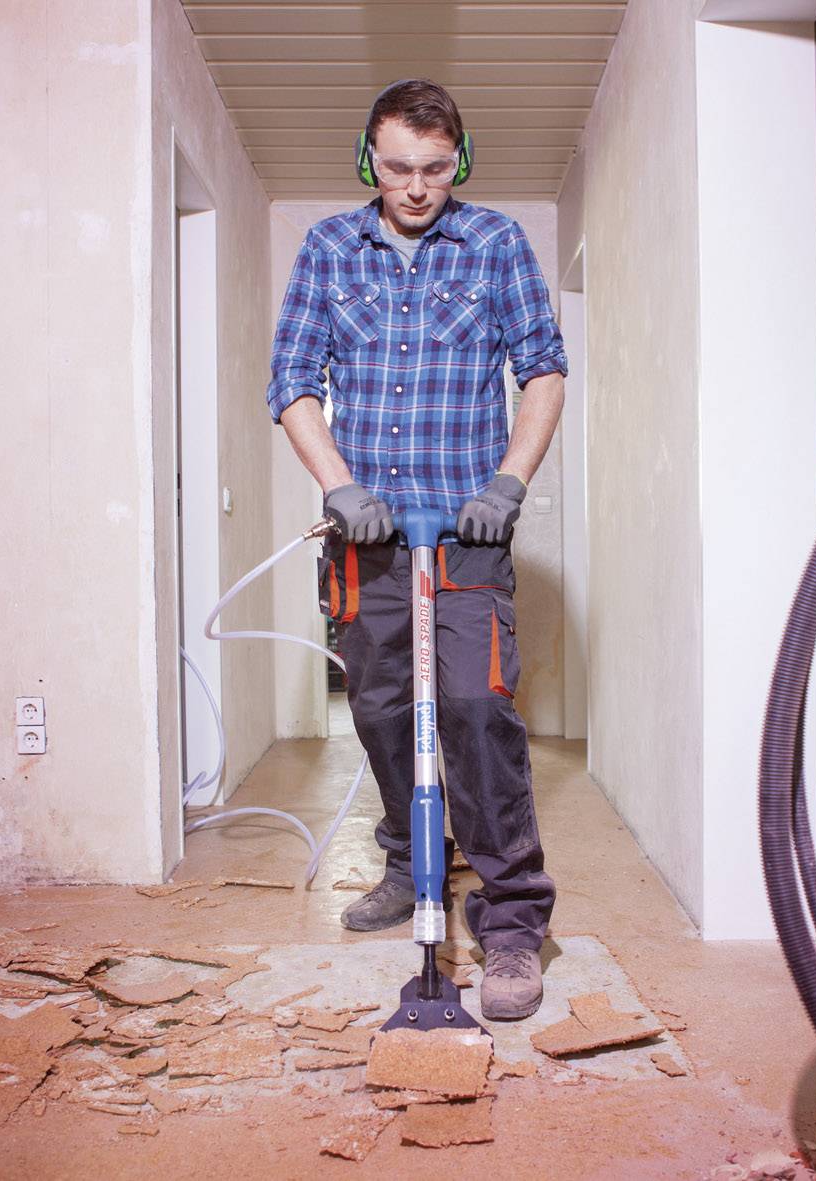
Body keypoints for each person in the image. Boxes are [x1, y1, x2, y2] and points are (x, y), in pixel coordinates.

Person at [264, 79, 567, 1021]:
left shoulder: (495, 245)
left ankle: (514, 917)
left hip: (467, 536)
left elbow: (543, 369)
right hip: (372, 540)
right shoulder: (328, 249)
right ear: (369, 161)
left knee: (475, 709)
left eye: (436, 169)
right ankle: (410, 862)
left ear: (459, 163)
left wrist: (507, 484)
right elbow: (292, 380)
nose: (416, 187)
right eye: (397, 168)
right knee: (386, 709)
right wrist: (338, 485)